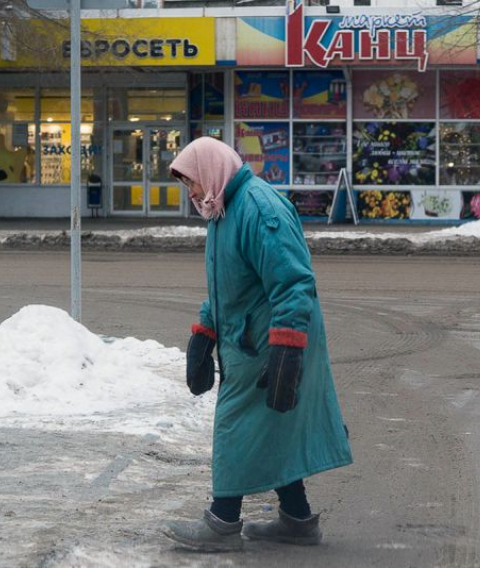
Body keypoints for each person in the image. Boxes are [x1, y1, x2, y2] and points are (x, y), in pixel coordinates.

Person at [162, 137, 353, 552]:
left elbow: (294, 282)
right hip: (249, 338)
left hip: (272, 341)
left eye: (192, 182)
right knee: (273, 426)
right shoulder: (223, 208)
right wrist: (204, 333)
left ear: (212, 170)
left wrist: (286, 349)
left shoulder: (258, 209)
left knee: (234, 424)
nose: (192, 193)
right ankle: (298, 521)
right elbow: (227, 285)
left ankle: (222, 523)